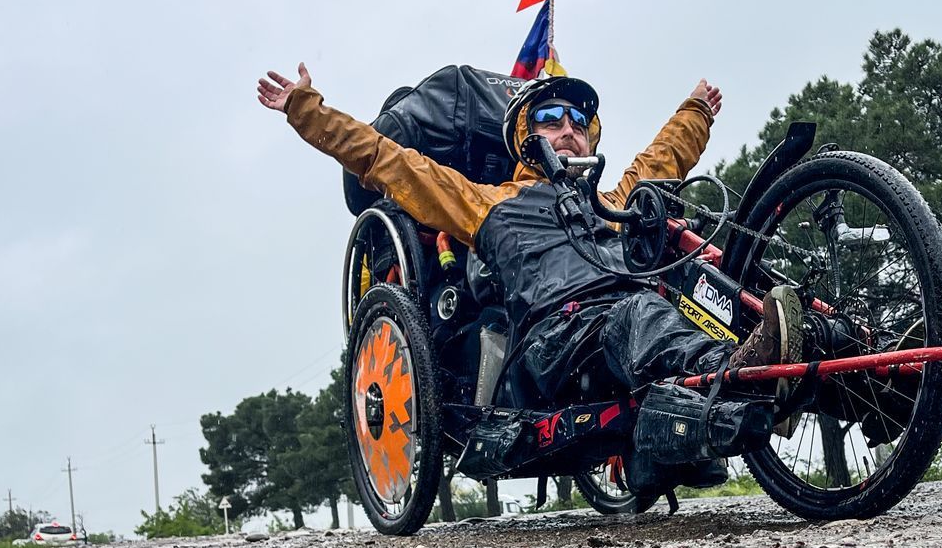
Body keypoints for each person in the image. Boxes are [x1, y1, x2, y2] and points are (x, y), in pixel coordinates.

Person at [256, 63, 802, 408]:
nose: (568, 128)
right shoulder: (484, 201)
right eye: (551, 118)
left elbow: (660, 162)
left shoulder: (608, 201)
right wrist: (306, 110)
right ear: (526, 134)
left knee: (692, 278)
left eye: (577, 122)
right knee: (638, 313)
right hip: (551, 343)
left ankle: (865, 370)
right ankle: (733, 371)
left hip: (625, 325)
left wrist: (695, 113)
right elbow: (388, 161)